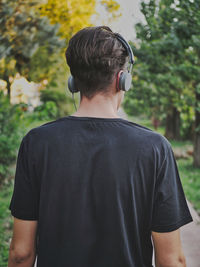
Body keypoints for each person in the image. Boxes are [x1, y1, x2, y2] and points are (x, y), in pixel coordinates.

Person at [8, 26, 193, 267]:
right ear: (122, 80)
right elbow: (171, 260)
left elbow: (21, 253)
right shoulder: (155, 148)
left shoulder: (36, 143)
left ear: (73, 82)